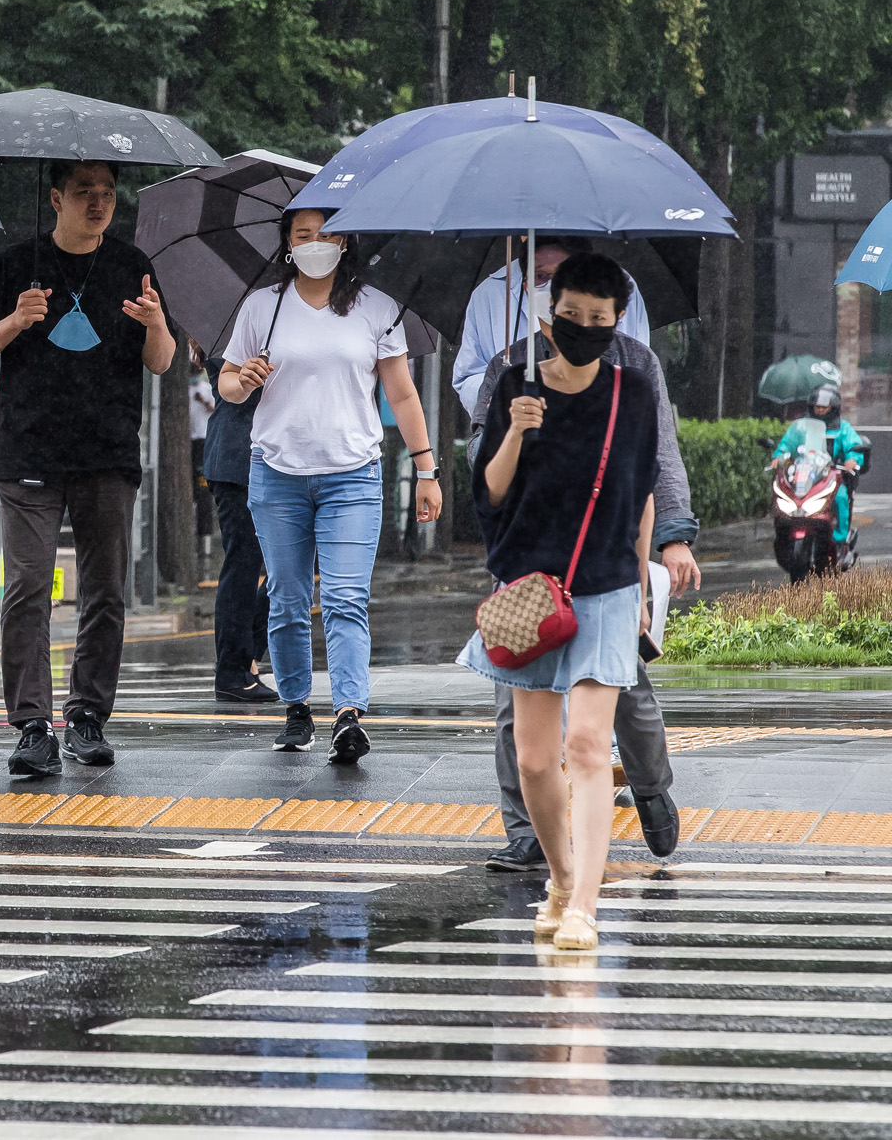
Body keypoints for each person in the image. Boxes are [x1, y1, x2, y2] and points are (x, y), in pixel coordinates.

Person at [464, 240, 696, 872]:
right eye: (564, 305)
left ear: (617, 313)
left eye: (598, 316)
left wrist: (670, 539)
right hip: (527, 565)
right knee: (516, 709)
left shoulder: (636, 369)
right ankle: (526, 831)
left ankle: (650, 786)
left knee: (626, 694)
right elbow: (482, 469)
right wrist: (516, 428)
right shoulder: (511, 370)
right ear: (546, 304)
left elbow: (656, 463)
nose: (584, 326)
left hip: (605, 566)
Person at [0, 160, 175, 778]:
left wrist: (156, 324)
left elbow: (161, 361)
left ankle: (87, 717)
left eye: (107, 193)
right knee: (27, 587)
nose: (98, 203)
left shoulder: (132, 265)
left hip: (107, 452)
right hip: (29, 450)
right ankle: (32, 725)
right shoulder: (14, 265)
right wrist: (15, 320)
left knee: (106, 589)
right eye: (84, 193)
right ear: (55, 199)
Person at [217, 206, 440, 762]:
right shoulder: (262, 307)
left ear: (346, 242)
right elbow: (227, 383)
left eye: (328, 233)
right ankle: (296, 708)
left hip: (353, 476)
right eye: (304, 234)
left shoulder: (376, 307)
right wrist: (243, 379)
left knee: (345, 598)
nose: (316, 243)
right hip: (276, 475)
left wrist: (426, 470)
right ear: (288, 244)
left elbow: (401, 393)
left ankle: (348, 715)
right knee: (288, 599)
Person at [451, 238, 650, 416]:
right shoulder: (489, 295)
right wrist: (502, 398)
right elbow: (470, 377)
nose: (551, 286)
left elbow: (635, 369)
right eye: (540, 276)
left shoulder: (620, 290)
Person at [202, 351, 274, 702]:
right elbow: (232, 383)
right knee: (244, 565)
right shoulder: (237, 331)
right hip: (239, 458)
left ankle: (244, 658)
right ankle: (233, 670)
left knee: (284, 569)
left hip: (262, 455)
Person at [774, 384, 865, 547]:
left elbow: (854, 447)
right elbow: (786, 445)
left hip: (831, 477)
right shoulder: (801, 426)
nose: (820, 410)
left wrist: (852, 459)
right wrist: (779, 457)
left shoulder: (843, 428)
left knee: (841, 497)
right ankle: (785, 534)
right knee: (784, 496)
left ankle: (840, 539)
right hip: (803, 476)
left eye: (824, 407)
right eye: (817, 407)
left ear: (833, 408)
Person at [189, 359, 216, 553]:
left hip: (203, 439)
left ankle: (204, 537)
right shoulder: (184, 391)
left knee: (203, 488)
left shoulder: (206, 389)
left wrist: (203, 401)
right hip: (189, 440)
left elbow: (215, 410)